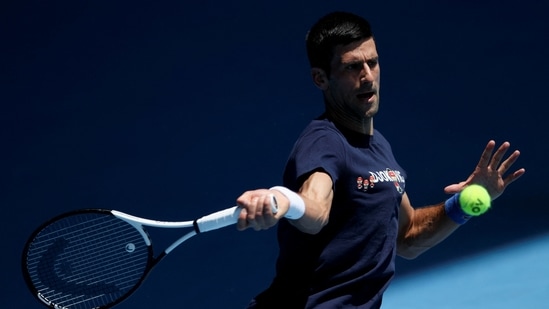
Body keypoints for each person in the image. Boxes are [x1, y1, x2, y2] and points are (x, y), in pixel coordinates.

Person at [235, 11, 525, 309]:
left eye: (372, 62)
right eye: (352, 67)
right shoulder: (324, 141)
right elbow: (316, 208)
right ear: (320, 78)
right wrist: (282, 200)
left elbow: (408, 236)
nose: (367, 76)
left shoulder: (379, 148)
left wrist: (464, 204)